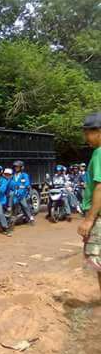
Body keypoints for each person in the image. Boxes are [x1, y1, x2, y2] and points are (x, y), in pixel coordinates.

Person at [77, 112, 101, 297]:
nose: (86, 137)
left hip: (99, 216)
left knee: (98, 261)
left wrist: (89, 219)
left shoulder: (99, 152)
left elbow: (100, 187)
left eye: (88, 132)